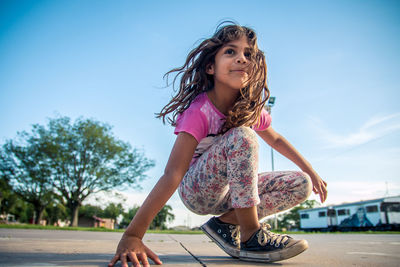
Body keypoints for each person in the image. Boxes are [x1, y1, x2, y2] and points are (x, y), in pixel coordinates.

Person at [108, 22, 328, 267]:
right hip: (198, 190)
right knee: (243, 136)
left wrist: (310, 170)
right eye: (231, 52)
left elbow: (275, 138)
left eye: (248, 54)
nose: (242, 59)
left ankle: (224, 225)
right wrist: (133, 235)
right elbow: (173, 173)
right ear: (211, 67)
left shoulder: (249, 110)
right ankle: (251, 235)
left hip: (233, 193)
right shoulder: (200, 111)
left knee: (301, 184)